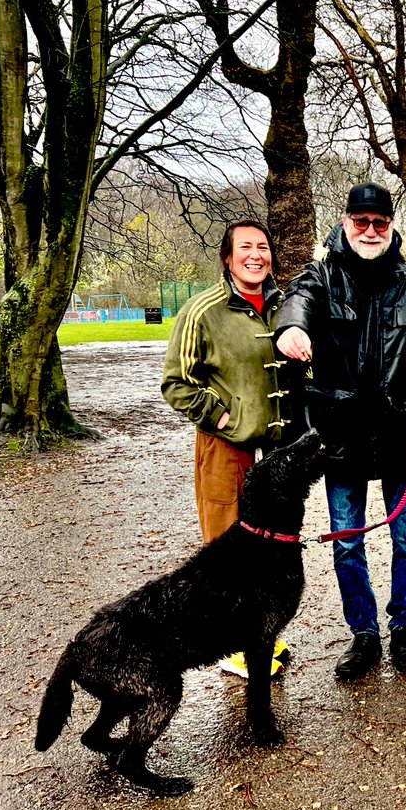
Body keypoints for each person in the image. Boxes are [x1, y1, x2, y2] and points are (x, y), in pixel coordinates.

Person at [275, 182, 406, 680]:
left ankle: (403, 627)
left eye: (379, 222)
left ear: (391, 226)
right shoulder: (322, 274)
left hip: (401, 433)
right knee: (348, 541)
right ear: (346, 223)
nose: (370, 231)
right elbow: (298, 301)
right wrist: (293, 328)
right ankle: (364, 632)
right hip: (342, 434)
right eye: (361, 222)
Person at [162, 218, 294, 677]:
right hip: (225, 445)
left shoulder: (286, 306)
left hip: (275, 450)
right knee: (226, 548)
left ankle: (259, 634)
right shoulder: (202, 310)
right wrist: (221, 417)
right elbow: (176, 382)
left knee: (270, 548)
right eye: (245, 247)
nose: (256, 255)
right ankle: (235, 645)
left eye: (263, 246)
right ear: (227, 257)